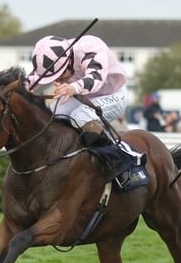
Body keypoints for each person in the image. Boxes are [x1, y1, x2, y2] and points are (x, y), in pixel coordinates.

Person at [25, 35, 145, 182]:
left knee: (80, 115)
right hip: (84, 96)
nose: (58, 80)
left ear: (68, 60)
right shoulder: (52, 57)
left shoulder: (89, 47)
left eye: (61, 74)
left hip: (114, 93)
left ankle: (119, 158)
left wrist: (73, 87)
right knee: (54, 114)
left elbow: (96, 76)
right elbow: (31, 80)